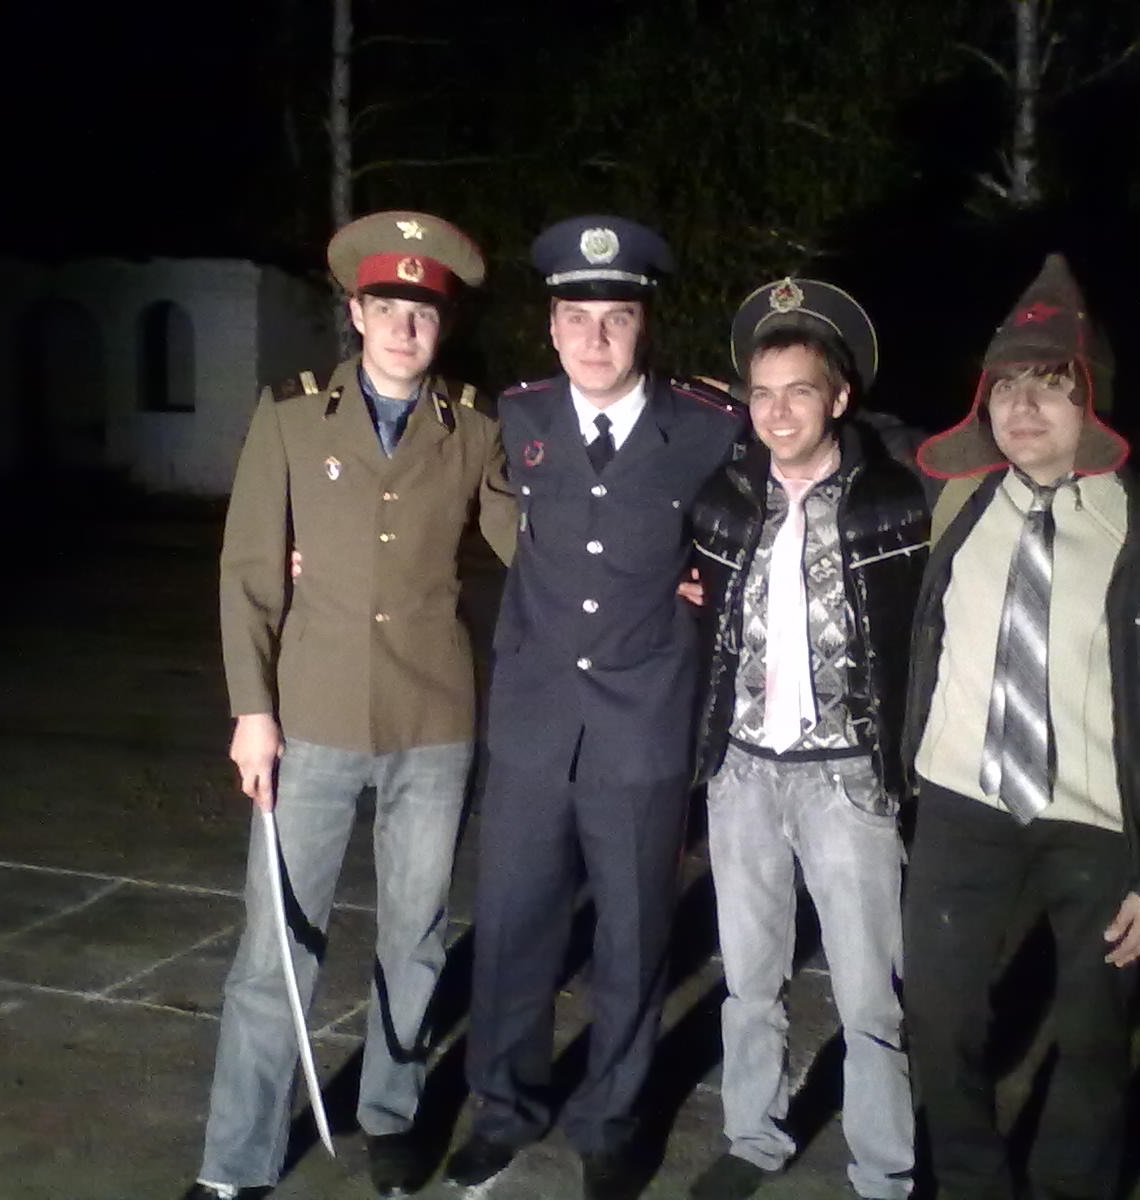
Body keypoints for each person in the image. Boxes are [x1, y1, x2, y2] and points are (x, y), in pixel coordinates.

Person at [901, 254, 1140, 1200]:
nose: (1023, 407)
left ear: (1091, 403)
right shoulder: (953, 504)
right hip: (961, 803)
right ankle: (969, 1182)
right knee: (939, 1018)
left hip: (1098, 819)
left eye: (1050, 386)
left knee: (1094, 1037)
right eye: (1007, 385)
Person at [188, 211, 517, 1200]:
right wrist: (252, 709)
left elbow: (537, 549)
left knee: (414, 938)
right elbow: (250, 571)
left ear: (443, 324)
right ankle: (236, 1163)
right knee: (274, 950)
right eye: (388, 306)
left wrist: (647, 576)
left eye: (425, 311)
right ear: (357, 312)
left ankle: (392, 1118)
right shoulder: (290, 416)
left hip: (432, 721)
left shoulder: (475, 427)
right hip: (311, 718)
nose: (405, 326)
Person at [442, 216, 745, 1200]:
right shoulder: (518, 416)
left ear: (644, 324)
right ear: (551, 326)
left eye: (616, 317)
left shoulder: (708, 426)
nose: (596, 338)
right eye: (577, 318)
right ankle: (502, 1108)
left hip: (642, 724)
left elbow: (776, 509)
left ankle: (610, 1120)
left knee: (633, 936)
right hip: (534, 721)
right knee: (512, 929)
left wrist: (713, 585)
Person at [683, 278, 929, 1200]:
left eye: (799, 391)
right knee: (750, 980)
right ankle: (752, 1134)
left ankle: (885, 1168)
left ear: (839, 397)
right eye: (762, 393)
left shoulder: (894, 500)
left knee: (870, 996)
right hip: (743, 772)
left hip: (846, 777)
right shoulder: (723, 497)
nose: (778, 412)